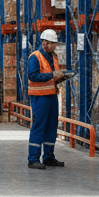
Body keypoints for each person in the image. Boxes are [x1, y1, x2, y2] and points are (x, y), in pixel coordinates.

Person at [27, 29, 72, 170]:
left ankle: (48, 157)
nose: (54, 46)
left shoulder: (54, 57)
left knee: (52, 127)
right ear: (44, 43)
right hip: (40, 98)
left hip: (52, 96)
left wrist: (62, 76)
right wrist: (52, 75)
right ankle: (33, 159)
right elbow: (32, 76)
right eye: (51, 44)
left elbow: (53, 77)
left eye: (55, 44)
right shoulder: (35, 57)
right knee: (39, 127)